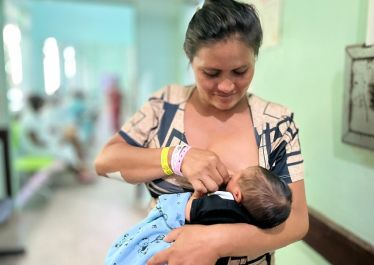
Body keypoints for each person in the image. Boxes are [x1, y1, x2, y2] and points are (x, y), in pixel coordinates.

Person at [95, 0, 308, 264]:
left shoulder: (276, 124)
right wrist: (176, 158)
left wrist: (215, 242)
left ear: (255, 58)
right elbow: (105, 161)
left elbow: (297, 221)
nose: (227, 86)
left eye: (241, 71)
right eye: (211, 72)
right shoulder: (164, 105)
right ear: (190, 60)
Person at [105, 166, 292, 265]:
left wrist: (195, 195)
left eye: (239, 176)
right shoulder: (249, 219)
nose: (234, 174)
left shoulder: (223, 205)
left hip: (172, 234)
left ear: (237, 195)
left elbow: (190, 210)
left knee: (137, 248)